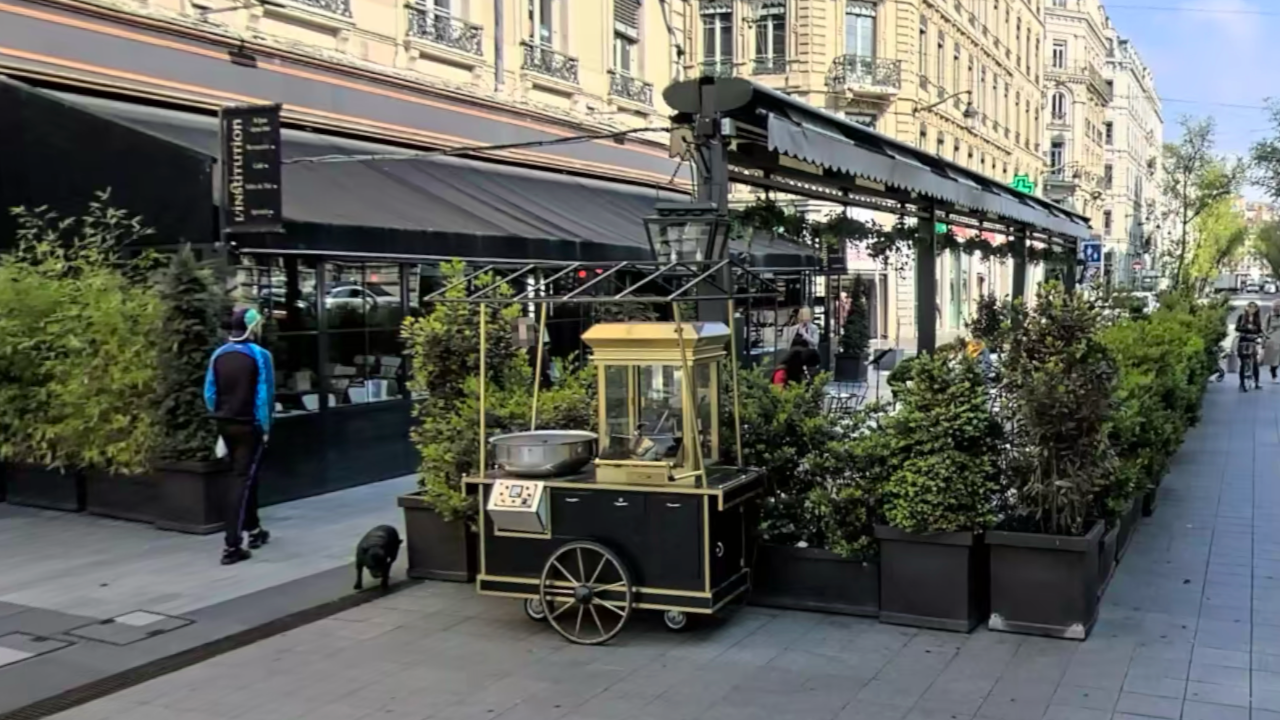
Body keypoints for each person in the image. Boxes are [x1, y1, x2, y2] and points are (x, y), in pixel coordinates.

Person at [205, 308, 275, 565]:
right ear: (253, 327)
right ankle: (232, 545)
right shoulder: (260, 355)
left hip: (225, 423)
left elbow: (209, 393)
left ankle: (254, 530)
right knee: (242, 480)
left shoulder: (219, 354)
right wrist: (265, 427)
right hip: (249, 425)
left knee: (245, 476)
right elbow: (264, 396)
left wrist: (222, 414)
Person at [1236, 302, 1264, 392]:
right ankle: (1242, 383)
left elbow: (1259, 330)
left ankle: (1257, 382)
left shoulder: (1257, 318)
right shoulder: (1242, 317)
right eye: (1250, 307)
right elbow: (1237, 328)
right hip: (1243, 341)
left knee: (1255, 362)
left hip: (1253, 341)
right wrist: (1247, 328)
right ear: (1246, 308)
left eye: (1254, 307)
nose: (1252, 309)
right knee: (1243, 363)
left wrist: (1261, 335)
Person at [1264, 300, 1280, 383]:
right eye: (1276, 306)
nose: (1278, 308)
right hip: (1272, 340)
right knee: (1274, 360)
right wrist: (1267, 336)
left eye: (1279, 306)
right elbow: (1264, 328)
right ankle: (1273, 373)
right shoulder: (1269, 316)